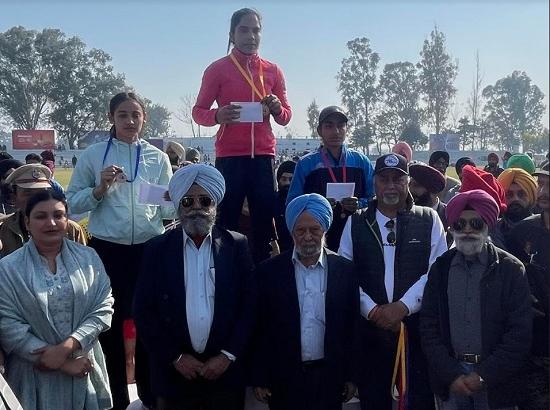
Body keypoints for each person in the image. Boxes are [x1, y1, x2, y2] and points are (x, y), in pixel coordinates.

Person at [66, 92, 174, 409]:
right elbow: (72, 204)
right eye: (122, 115)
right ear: (111, 118)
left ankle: (150, 397)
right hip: (107, 252)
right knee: (109, 327)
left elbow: (168, 211)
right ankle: (113, 399)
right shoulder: (93, 156)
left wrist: (170, 198)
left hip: (148, 250)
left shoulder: (158, 157)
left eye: (135, 115)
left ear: (145, 119)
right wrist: (99, 190)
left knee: (148, 324)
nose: (129, 121)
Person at [134, 164, 256, 410]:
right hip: (175, 373)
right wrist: (176, 357)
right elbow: (143, 311)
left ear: (215, 205)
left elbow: (250, 307)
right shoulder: (156, 249)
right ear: (178, 205)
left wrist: (227, 355)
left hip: (224, 373)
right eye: (188, 201)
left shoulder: (236, 245)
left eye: (205, 200)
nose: (197, 208)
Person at [339, 153, 448, 410]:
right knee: (374, 401)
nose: (390, 186)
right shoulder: (356, 222)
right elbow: (345, 274)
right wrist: (373, 310)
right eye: (384, 179)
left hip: (416, 334)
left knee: (418, 402)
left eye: (397, 179)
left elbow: (438, 270)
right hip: (371, 333)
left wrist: (403, 306)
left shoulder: (429, 219)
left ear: (407, 182)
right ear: (374, 182)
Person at [193, 8, 292, 263]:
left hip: (263, 157)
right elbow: (198, 112)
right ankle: (224, 275)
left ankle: (262, 280)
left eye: (256, 30)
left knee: (263, 223)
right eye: (244, 30)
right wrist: (218, 115)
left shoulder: (273, 71)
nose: (251, 36)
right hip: (230, 157)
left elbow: (286, 117)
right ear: (232, 34)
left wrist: (278, 108)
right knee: (225, 222)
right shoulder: (217, 69)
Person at [0, 190, 114, 410]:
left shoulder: (88, 258)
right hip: (33, 372)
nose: (51, 223)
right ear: (27, 221)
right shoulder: (8, 268)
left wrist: (67, 348)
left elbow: (103, 307)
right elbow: (7, 323)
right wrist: (63, 363)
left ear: (67, 218)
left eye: (58, 215)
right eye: (41, 216)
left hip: (83, 365)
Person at [420, 189, 532, 410]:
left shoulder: (510, 269)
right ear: (451, 228)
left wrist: (483, 376)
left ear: (488, 225)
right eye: (460, 225)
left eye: (476, 224)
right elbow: (429, 327)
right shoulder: (441, 269)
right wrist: (451, 374)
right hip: (452, 380)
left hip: (497, 381)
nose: (468, 230)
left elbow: (519, 333)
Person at [252, 194, 359, 410]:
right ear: (291, 232)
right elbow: (259, 328)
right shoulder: (268, 272)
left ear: (325, 230)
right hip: (284, 379)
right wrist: (259, 377)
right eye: (300, 231)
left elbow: (352, 327)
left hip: (330, 378)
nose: (308, 237)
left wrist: (352, 375)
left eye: (315, 230)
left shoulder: (344, 270)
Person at [287, 106, 374, 251]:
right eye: (329, 126)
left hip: (356, 235)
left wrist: (359, 204)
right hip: (318, 238)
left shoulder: (361, 161)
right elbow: (293, 204)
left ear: (347, 129)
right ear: (319, 130)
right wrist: (318, 207)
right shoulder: (306, 164)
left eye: (341, 126)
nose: (336, 131)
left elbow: (375, 199)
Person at [507, 162, 549, 409]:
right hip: (534, 348)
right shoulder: (522, 233)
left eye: (549, 186)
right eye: (541, 184)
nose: (542, 192)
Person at [0, 164, 87, 258]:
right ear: (14, 197)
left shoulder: (71, 229)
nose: (36, 199)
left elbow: (83, 265)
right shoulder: (4, 229)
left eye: (41, 193)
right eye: (28, 193)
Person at [494, 168, 537, 247]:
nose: (515, 199)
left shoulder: (543, 228)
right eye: (509, 194)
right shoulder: (492, 231)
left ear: (531, 195)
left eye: (521, 194)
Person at [408, 161, 448, 228]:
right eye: (409, 185)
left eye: (416, 185)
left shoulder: (449, 215)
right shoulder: (403, 213)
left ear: (432, 191)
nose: (410, 190)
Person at [273, 160, 295, 253]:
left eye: (291, 180)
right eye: (284, 179)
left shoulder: (303, 202)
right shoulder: (272, 201)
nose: (287, 183)